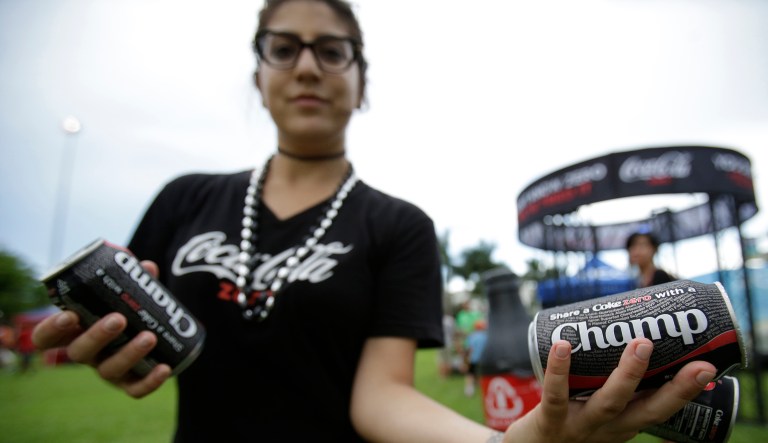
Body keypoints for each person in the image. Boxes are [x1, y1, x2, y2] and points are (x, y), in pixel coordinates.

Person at [33, 1, 718, 441]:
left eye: (332, 50)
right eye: (283, 46)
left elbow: (381, 398)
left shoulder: (398, 225)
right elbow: (138, 329)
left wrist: (511, 442)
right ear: (259, 73)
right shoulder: (185, 199)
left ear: (361, 83)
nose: (307, 65)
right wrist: (114, 350)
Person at [464, 318, 488, 397]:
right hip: (483, 359)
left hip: (473, 358)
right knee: (481, 374)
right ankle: (482, 387)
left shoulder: (471, 336)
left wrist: (466, 359)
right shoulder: (486, 336)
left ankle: (469, 390)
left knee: (470, 374)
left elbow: (469, 348)